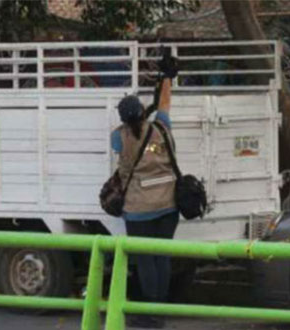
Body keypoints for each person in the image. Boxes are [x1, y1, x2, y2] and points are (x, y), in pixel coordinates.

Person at [110, 57, 178, 329]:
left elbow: (132, 135)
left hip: (139, 210)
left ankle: (150, 312)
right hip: (169, 205)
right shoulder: (161, 127)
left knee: (145, 260)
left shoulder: (119, 136)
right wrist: (167, 78)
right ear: (142, 112)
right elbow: (164, 104)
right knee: (162, 257)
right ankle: (159, 308)